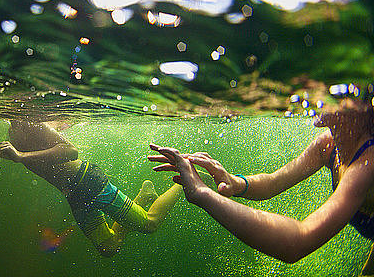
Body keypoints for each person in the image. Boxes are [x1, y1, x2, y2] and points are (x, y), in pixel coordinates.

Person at [148, 99, 374, 276]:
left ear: (361, 105)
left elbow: (299, 241)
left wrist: (201, 193)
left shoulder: (368, 163)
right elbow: (273, 183)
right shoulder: (328, 144)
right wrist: (236, 182)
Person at [0, 119, 182, 257]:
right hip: (74, 195)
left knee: (148, 224)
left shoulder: (34, 123)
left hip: (89, 182)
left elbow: (71, 151)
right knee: (108, 248)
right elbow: (8, 148)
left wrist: (20, 156)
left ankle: (182, 181)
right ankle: (144, 195)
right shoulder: (14, 130)